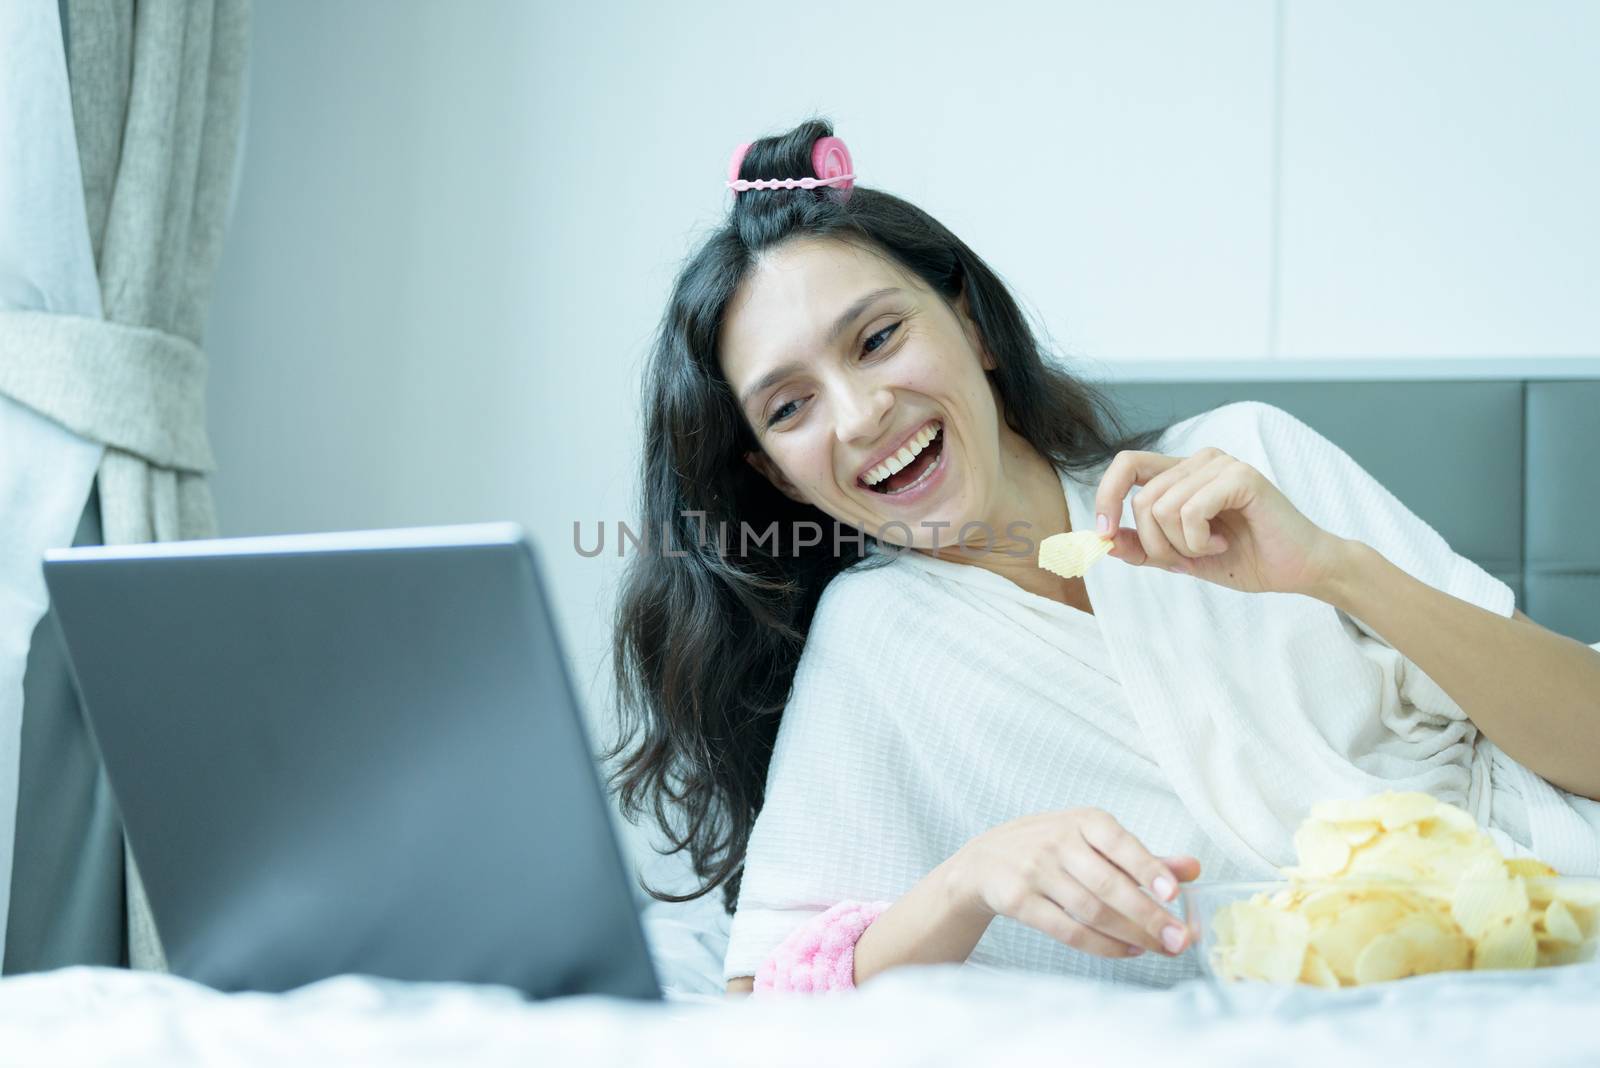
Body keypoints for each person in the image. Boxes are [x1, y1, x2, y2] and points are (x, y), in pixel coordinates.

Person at [602, 119, 1600, 999]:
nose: (861, 415)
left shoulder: (1249, 457)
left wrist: (1333, 567)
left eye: (877, 339)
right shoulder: (875, 643)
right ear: (773, 474)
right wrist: (969, 880)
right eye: (789, 407)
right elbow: (764, 1002)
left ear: (972, 325)